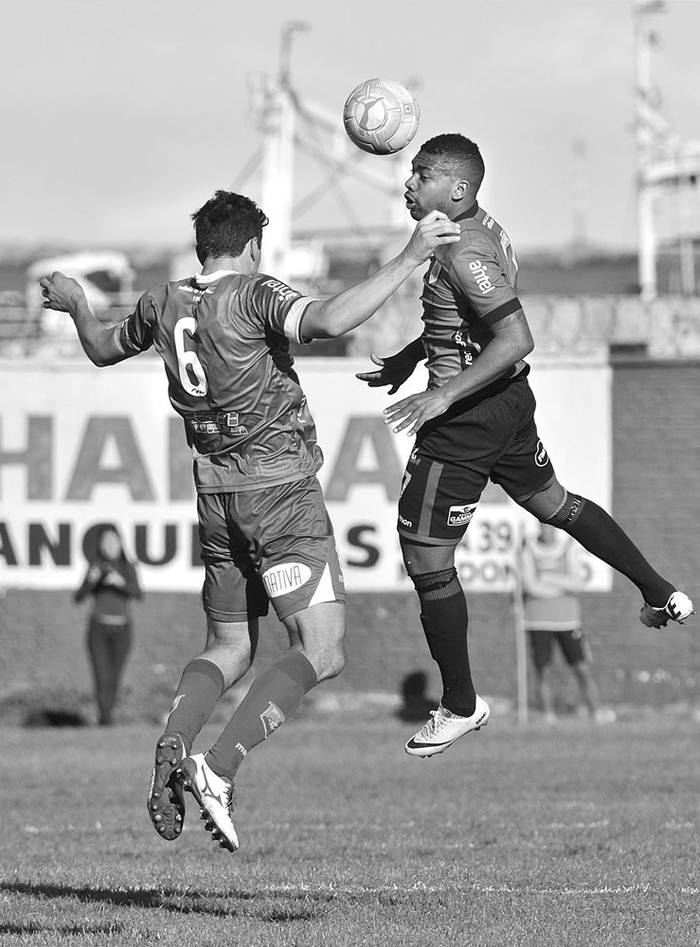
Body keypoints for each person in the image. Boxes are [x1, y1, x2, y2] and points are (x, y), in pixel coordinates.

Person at [40, 190, 461, 853]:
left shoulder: (161, 302)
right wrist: (409, 257)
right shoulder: (255, 294)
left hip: (215, 496)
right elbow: (327, 318)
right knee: (323, 648)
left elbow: (99, 346)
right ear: (250, 247)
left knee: (230, 646)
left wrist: (75, 304)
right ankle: (218, 765)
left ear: (201, 245)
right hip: (281, 496)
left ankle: (176, 739)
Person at [356, 133, 693, 758]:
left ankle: (460, 704)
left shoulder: (467, 250)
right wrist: (412, 357)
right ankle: (658, 589)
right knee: (553, 504)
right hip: (505, 405)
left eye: (421, 174)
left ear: (458, 187)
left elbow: (516, 337)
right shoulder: (470, 230)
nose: (408, 184)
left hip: (469, 417)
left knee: (424, 551)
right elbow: (467, 320)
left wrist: (442, 395)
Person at [520, 523, 614, 725]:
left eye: (548, 526)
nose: (545, 530)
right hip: (538, 620)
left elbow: (577, 583)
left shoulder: (568, 547)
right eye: (541, 526)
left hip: (568, 620)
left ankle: (596, 713)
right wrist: (561, 586)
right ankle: (548, 715)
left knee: (582, 668)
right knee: (543, 669)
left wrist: (547, 578)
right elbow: (530, 586)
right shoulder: (528, 549)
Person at [74, 524, 142, 726]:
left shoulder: (127, 567)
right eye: (106, 541)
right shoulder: (95, 566)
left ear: (121, 543)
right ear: (100, 545)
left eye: (114, 541)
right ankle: (105, 720)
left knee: (114, 677)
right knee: (101, 675)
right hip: (98, 629)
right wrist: (91, 582)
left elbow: (137, 594)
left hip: (122, 629)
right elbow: (78, 597)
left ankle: (107, 717)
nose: (110, 546)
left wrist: (121, 582)